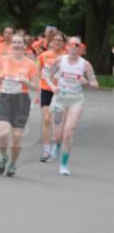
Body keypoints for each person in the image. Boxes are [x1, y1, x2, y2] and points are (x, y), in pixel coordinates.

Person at [48, 37, 99, 175]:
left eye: (77, 45)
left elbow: (96, 84)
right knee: (57, 135)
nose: (74, 47)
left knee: (68, 132)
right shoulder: (60, 61)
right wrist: (53, 86)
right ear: (67, 46)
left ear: (80, 48)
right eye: (71, 44)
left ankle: (63, 165)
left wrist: (86, 82)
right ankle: (57, 144)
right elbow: (46, 75)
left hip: (76, 100)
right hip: (60, 99)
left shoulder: (85, 64)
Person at [0, 33, 38, 177]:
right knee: (2, 132)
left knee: (17, 136)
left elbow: (36, 86)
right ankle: (4, 156)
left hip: (21, 100)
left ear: (25, 46)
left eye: (20, 42)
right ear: (11, 45)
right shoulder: (3, 60)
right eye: (14, 42)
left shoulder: (30, 64)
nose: (17, 44)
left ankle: (13, 163)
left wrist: (26, 82)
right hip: (5, 98)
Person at [37, 31, 66, 161]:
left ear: (64, 43)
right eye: (55, 40)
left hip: (61, 92)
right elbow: (38, 72)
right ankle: (46, 150)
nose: (57, 42)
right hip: (46, 89)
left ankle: (57, 144)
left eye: (60, 40)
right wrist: (38, 88)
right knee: (47, 119)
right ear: (51, 42)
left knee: (58, 121)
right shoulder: (44, 55)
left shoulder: (66, 57)